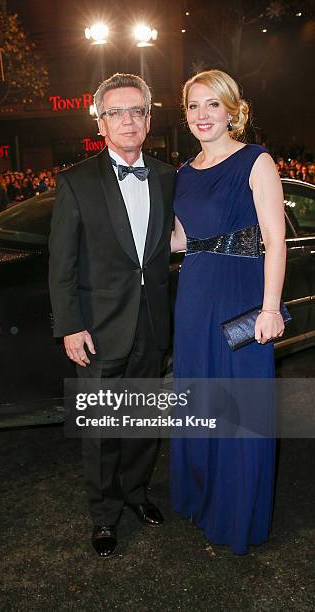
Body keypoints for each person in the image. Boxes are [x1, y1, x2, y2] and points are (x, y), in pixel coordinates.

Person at [49, 73, 176, 557]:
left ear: (149, 118)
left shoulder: (168, 177)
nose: (127, 121)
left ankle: (136, 494)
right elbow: (61, 264)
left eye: (136, 111)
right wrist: (70, 326)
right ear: (100, 123)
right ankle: (104, 516)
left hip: (152, 323)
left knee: (144, 422)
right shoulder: (75, 181)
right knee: (102, 430)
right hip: (98, 329)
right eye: (116, 113)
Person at [170, 69, 286, 555]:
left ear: (231, 110)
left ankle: (235, 512)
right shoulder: (182, 172)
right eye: (194, 106)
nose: (201, 115)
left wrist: (270, 307)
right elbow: (179, 240)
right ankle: (202, 496)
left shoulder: (256, 161)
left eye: (211, 105)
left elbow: (275, 240)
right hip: (194, 296)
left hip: (241, 294)